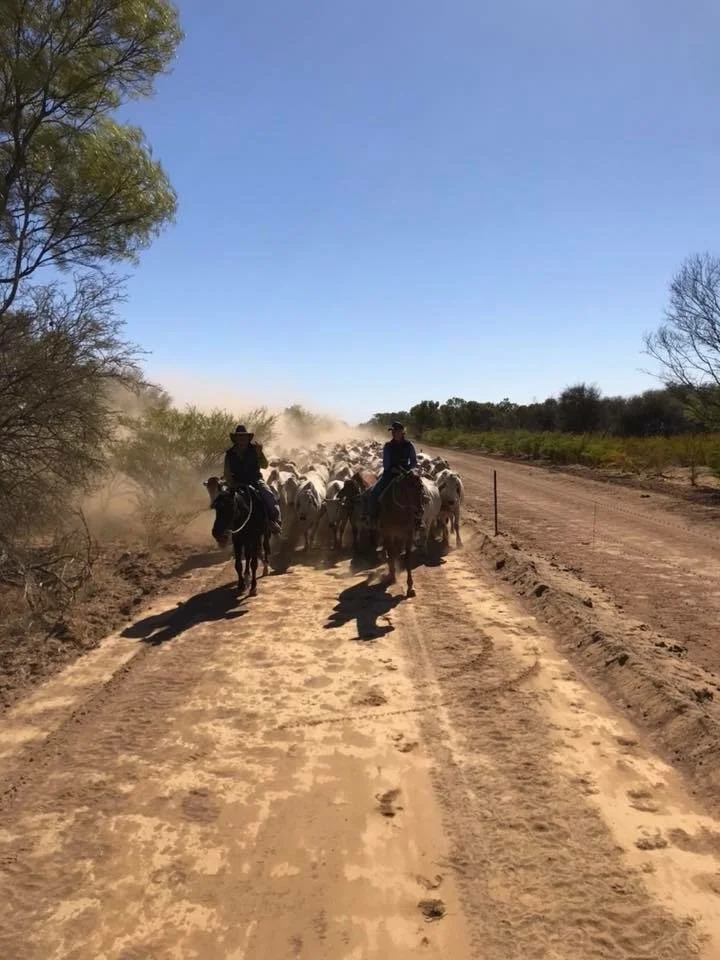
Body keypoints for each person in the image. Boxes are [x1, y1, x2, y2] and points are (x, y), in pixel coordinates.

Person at [223, 425, 282, 534]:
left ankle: (274, 520)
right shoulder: (229, 454)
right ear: (235, 438)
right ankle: (223, 528)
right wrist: (232, 484)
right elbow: (227, 472)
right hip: (237, 482)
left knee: (268, 494)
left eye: (244, 436)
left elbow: (264, 465)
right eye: (239, 437)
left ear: (247, 438)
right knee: (223, 500)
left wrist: (259, 454)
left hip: (255, 480)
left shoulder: (255, 449)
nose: (241, 439)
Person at [364, 421, 420, 521]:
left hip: (405, 474)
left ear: (402, 432)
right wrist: (391, 469)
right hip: (389, 475)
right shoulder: (388, 446)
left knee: (420, 491)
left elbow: (414, 461)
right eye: (393, 431)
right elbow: (386, 464)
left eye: (397, 431)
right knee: (374, 493)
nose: (394, 433)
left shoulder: (409, 445)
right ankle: (372, 517)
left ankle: (419, 519)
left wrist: (407, 469)